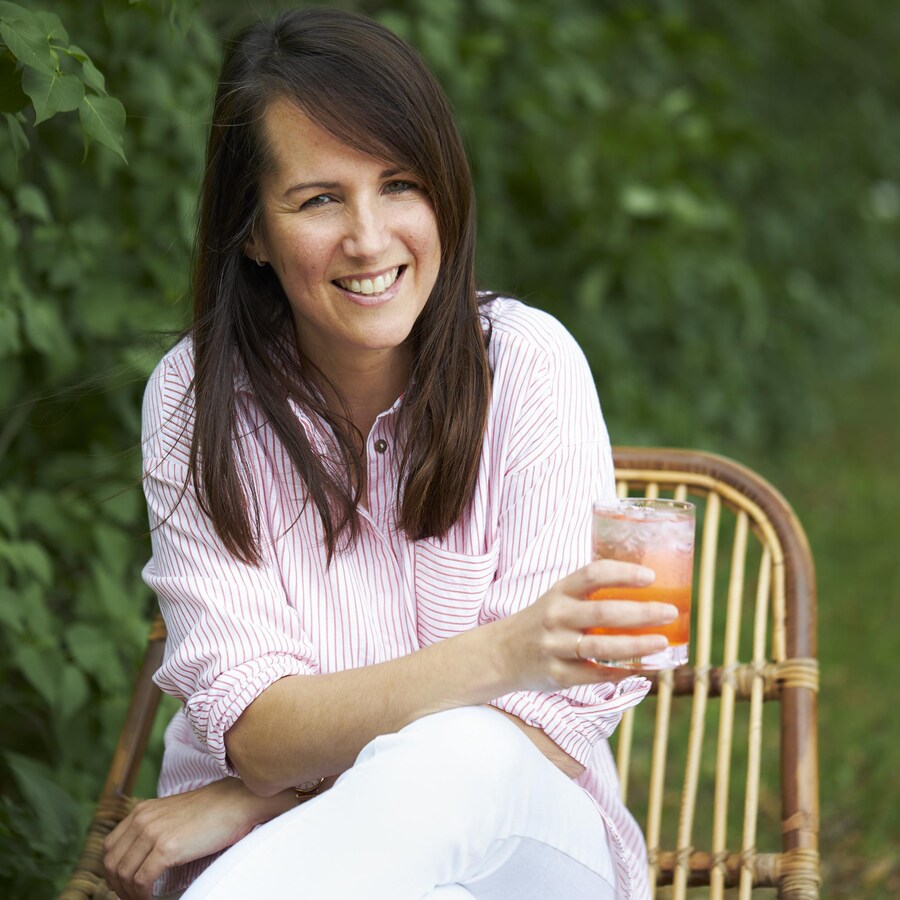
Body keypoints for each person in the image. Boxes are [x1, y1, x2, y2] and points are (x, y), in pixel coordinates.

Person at [103, 8, 677, 900]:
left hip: (525, 849)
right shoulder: (195, 399)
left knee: (469, 746)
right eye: (319, 198)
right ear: (251, 231)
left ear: (443, 195)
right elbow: (255, 727)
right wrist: (502, 653)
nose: (369, 240)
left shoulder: (528, 366)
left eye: (399, 184)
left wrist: (259, 802)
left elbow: (547, 719)